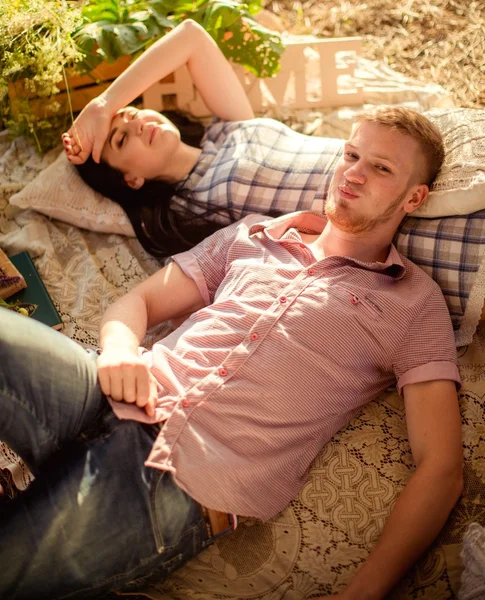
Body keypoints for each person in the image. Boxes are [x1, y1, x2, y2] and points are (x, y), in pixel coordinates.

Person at [1, 102, 463, 600]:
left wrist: (363, 593)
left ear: (415, 196)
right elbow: (138, 302)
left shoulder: (414, 304)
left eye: (381, 168)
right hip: (105, 389)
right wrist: (119, 351)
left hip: (177, 486)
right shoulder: (252, 233)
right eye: (351, 154)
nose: (354, 173)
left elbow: (441, 467)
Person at [62, 19, 345, 257]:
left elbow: (191, 36)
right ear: (132, 180)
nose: (136, 125)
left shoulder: (227, 128)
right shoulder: (192, 210)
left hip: (370, 156)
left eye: (131, 113)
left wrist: (105, 104)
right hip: (367, 216)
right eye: (120, 139)